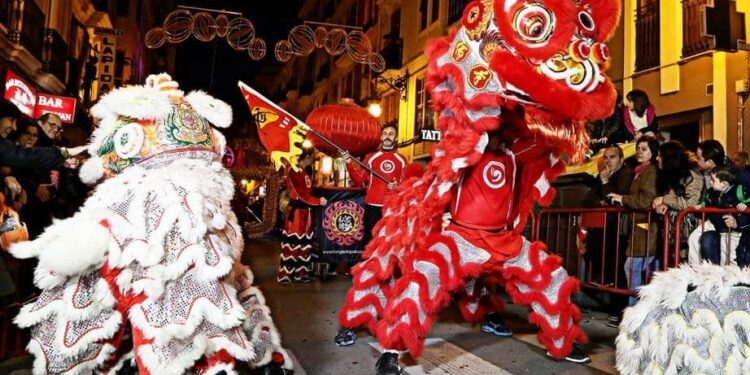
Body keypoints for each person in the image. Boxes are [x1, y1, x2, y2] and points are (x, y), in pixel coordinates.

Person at [608, 137, 660, 306]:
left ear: (652, 152)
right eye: (638, 148)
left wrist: (623, 199)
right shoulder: (640, 170)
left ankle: (634, 309)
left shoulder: (649, 171)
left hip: (645, 226)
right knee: (642, 269)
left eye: (644, 149)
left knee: (632, 267)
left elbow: (645, 199)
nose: (639, 151)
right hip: (640, 227)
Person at [342, 123, 408, 245]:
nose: (388, 136)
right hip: (372, 207)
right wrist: (349, 163)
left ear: (396, 138)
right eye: (385, 134)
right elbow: (360, 181)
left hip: (392, 209)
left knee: (388, 243)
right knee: (370, 242)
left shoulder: (402, 160)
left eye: (391, 134)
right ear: (381, 137)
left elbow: (406, 185)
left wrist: (397, 185)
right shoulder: (370, 157)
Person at [687, 140, 750, 265]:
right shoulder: (706, 175)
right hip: (716, 221)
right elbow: (709, 198)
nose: (696, 160)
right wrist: (702, 208)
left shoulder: (739, 175)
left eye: (699, 158)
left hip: (734, 226)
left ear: (710, 161)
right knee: (695, 239)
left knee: (729, 256)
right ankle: (696, 275)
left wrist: (739, 221)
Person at [278, 151, 327, 284]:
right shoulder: (293, 172)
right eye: (312, 156)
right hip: (297, 213)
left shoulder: (304, 172)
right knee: (293, 243)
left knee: (305, 243)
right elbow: (300, 194)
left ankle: (301, 273)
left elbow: (307, 191)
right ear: (306, 157)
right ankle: (285, 274)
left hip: (307, 212)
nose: (313, 159)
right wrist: (317, 201)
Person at [652, 141, 704, 263]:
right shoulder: (672, 174)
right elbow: (674, 197)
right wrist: (664, 204)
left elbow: (689, 202)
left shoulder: (692, 175)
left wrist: (663, 199)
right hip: (674, 232)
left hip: (690, 230)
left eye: (660, 155)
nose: (657, 158)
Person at [697, 166, 750, 266]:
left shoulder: (740, 191)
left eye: (713, 180)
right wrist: (701, 206)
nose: (710, 182)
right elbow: (706, 201)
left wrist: (746, 205)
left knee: (732, 259)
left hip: (738, 234)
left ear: (724, 183)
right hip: (721, 231)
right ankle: (713, 275)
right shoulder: (712, 193)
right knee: (709, 242)